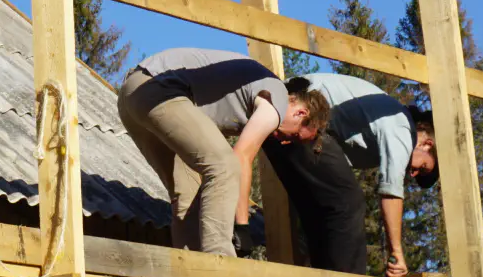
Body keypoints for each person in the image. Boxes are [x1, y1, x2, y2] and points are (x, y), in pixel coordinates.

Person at [117, 48, 328, 255]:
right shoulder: (277, 102)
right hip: (159, 88)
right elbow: (240, 157)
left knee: (190, 198)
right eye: (294, 137)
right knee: (224, 165)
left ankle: (193, 274)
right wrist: (243, 227)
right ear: (301, 113)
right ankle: (220, 265)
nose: (284, 142)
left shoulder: (250, 95)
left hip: (133, 94)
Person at [260, 72, 438, 276]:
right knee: (348, 202)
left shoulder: (379, 131)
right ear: (426, 144)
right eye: (422, 167)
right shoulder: (403, 128)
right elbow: (391, 191)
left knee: (318, 209)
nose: (413, 174)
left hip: (278, 120)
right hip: (297, 114)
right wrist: (396, 252)